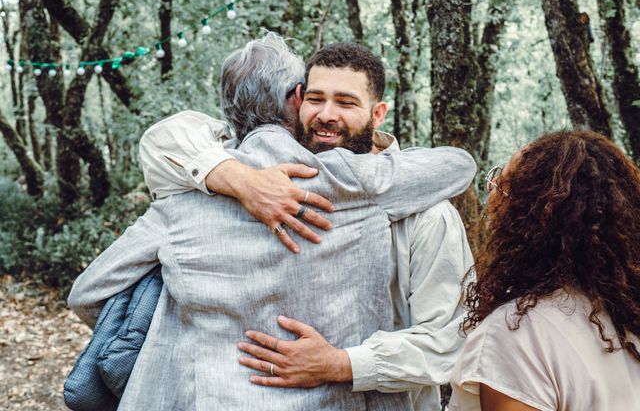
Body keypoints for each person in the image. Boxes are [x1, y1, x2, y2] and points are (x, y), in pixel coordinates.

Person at [68, 33, 476, 410]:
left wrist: (341, 364)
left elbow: (451, 340)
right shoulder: (345, 183)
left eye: (346, 103)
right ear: (298, 100)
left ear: (378, 112)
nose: (327, 114)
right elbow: (458, 164)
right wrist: (239, 180)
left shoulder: (423, 211)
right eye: (316, 98)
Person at [449, 130, 640, 410]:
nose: (490, 198)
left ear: (524, 219)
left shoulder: (516, 335)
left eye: (501, 185)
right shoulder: (627, 314)